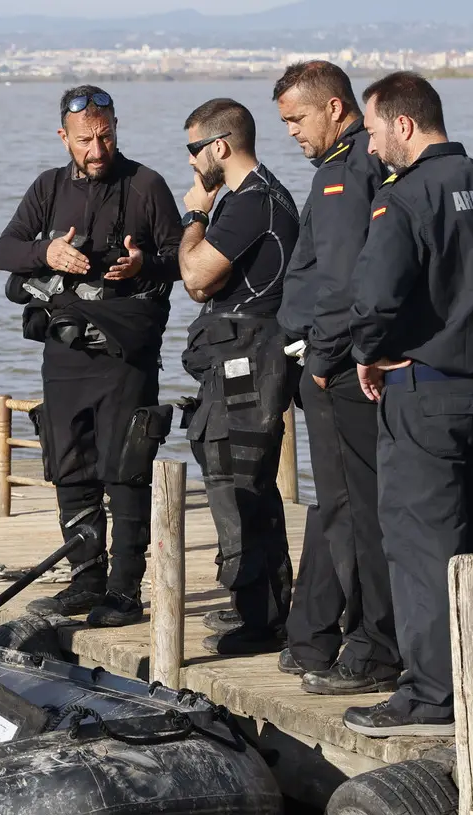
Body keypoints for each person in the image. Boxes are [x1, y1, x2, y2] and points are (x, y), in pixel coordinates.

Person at [341, 72, 473, 737]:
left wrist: (368, 351)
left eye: (374, 133)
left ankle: (433, 695)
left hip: (421, 391)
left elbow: (374, 301)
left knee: (422, 546)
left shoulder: (403, 201)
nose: (372, 150)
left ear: (404, 125)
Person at [0, 85, 183, 628]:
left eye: (105, 136)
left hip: (125, 358)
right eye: (84, 140)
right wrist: (45, 251)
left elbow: (182, 261)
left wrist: (143, 263)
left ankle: (124, 592)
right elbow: (2, 251)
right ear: (64, 137)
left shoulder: (146, 184)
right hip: (64, 355)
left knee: (125, 468)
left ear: (116, 126)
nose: (96, 149)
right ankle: (85, 581)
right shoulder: (48, 187)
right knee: (70, 464)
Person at [270, 60, 402, 695]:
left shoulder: (346, 175)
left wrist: (322, 358)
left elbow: (346, 281)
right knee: (338, 503)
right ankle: (316, 633)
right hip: (337, 359)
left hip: (339, 366)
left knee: (354, 507)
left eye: (297, 118)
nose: (292, 132)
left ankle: (375, 641)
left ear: (335, 108)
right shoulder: (345, 168)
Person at [175, 97, 300, 654]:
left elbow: (196, 274)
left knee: (238, 482)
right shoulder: (253, 198)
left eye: (193, 150)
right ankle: (261, 607)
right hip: (236, 361)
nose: (192, 164)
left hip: (249, 363)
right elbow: (199, 284)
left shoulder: (251, 202)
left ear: (218, 147)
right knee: (240, 479)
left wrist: (196, 213)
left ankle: (263, 620)